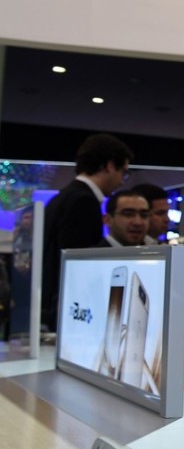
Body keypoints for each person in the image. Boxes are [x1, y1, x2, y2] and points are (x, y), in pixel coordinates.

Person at [42, 133, 133, 330]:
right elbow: (78, 269)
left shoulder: (62, 197)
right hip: (67, 313)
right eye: (123, 172)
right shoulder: (83, 201)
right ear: (109, 166)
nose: (122, 181)